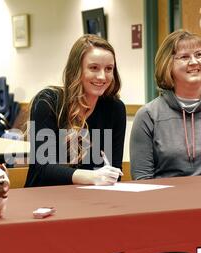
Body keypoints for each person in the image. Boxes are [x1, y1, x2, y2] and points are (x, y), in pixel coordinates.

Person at [129, 29, 201, 180]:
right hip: (166, 202)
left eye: (199, 55)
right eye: (184, 57)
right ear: (167, 65)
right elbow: (142, 178)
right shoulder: (148, 116)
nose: (194, 62)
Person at [25, 34, 126, 187]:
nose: (102, 76)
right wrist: (92, 177)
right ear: (76, 70)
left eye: (109, 69)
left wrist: (107, 176)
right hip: (45, 197)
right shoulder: (48, 102)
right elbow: (43, 167)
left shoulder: (115, 109)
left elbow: (114, 171)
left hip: (92, 199)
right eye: (93, 68)